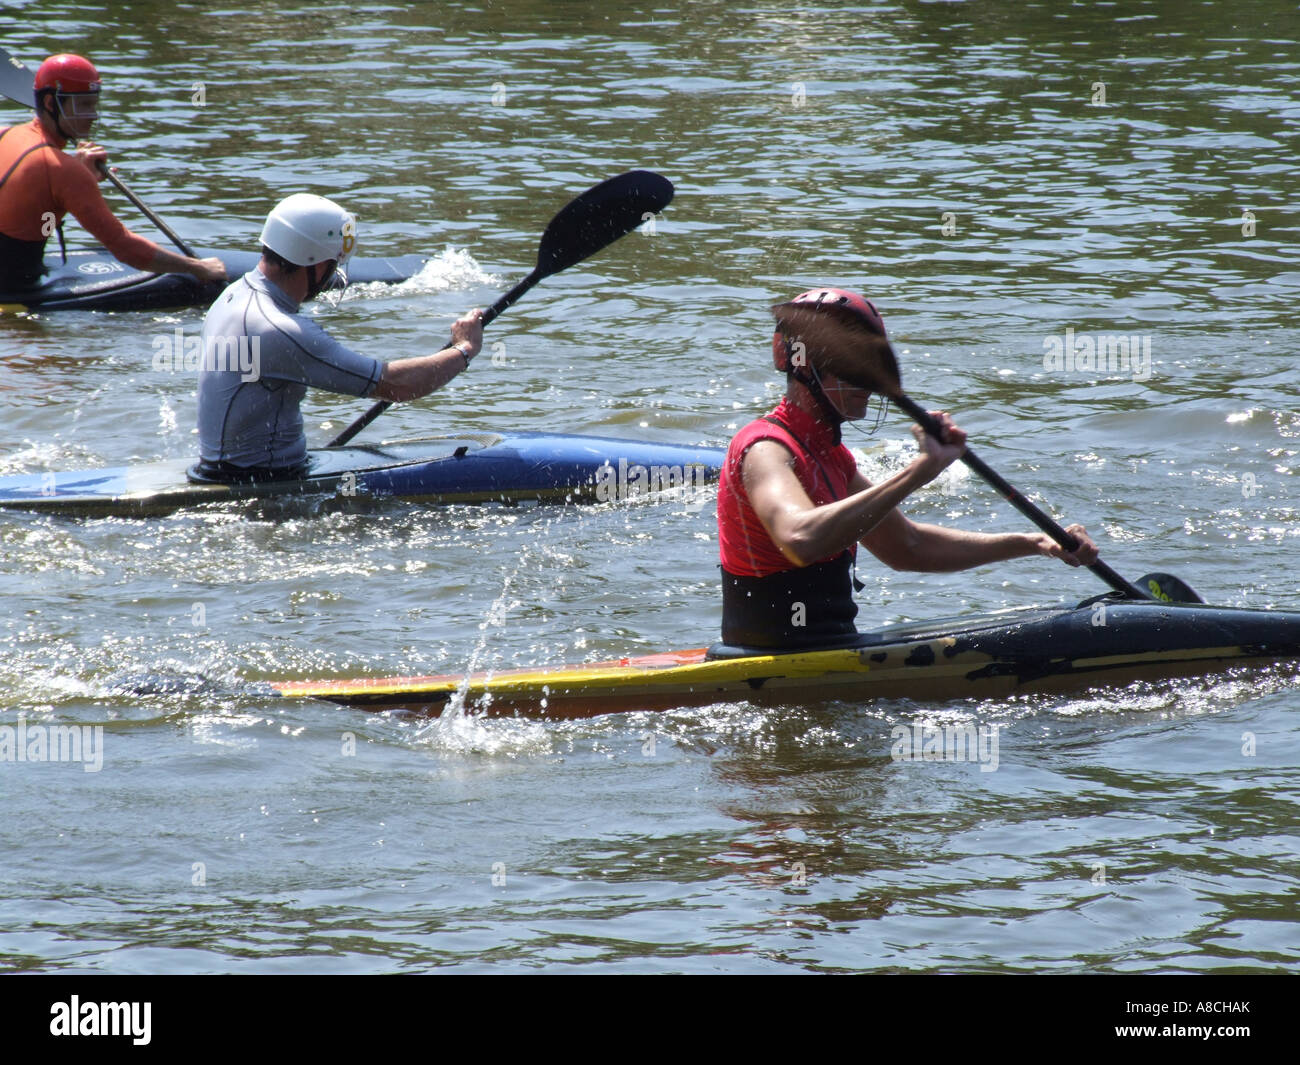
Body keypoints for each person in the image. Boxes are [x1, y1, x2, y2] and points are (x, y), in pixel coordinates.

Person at [716, 286, 1100, 648]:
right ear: (805, 369)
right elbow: (800, 540)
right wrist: (920, 470)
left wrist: (1035, 543)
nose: (867, 383)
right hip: (767, 658)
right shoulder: (765, 449)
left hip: (829, 646)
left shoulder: (830, 455)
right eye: (852, 370)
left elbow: (908, 546)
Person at [195, 192, 483, 481]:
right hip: (261, 482)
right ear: (316, 263)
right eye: (333, 263)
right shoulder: (279, 329)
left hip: (219, 469)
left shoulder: (232, 295)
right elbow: (397, 386)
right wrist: (464, 348)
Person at [0, 53, 225, 291]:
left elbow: (29, 198)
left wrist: (77, 174)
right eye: (83, 105)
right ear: (49, 104)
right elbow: (124, 248)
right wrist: (197, 267)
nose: (93, 114)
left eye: (94, 104)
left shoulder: (5, 134)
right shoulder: (63, 171)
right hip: (14, 283)